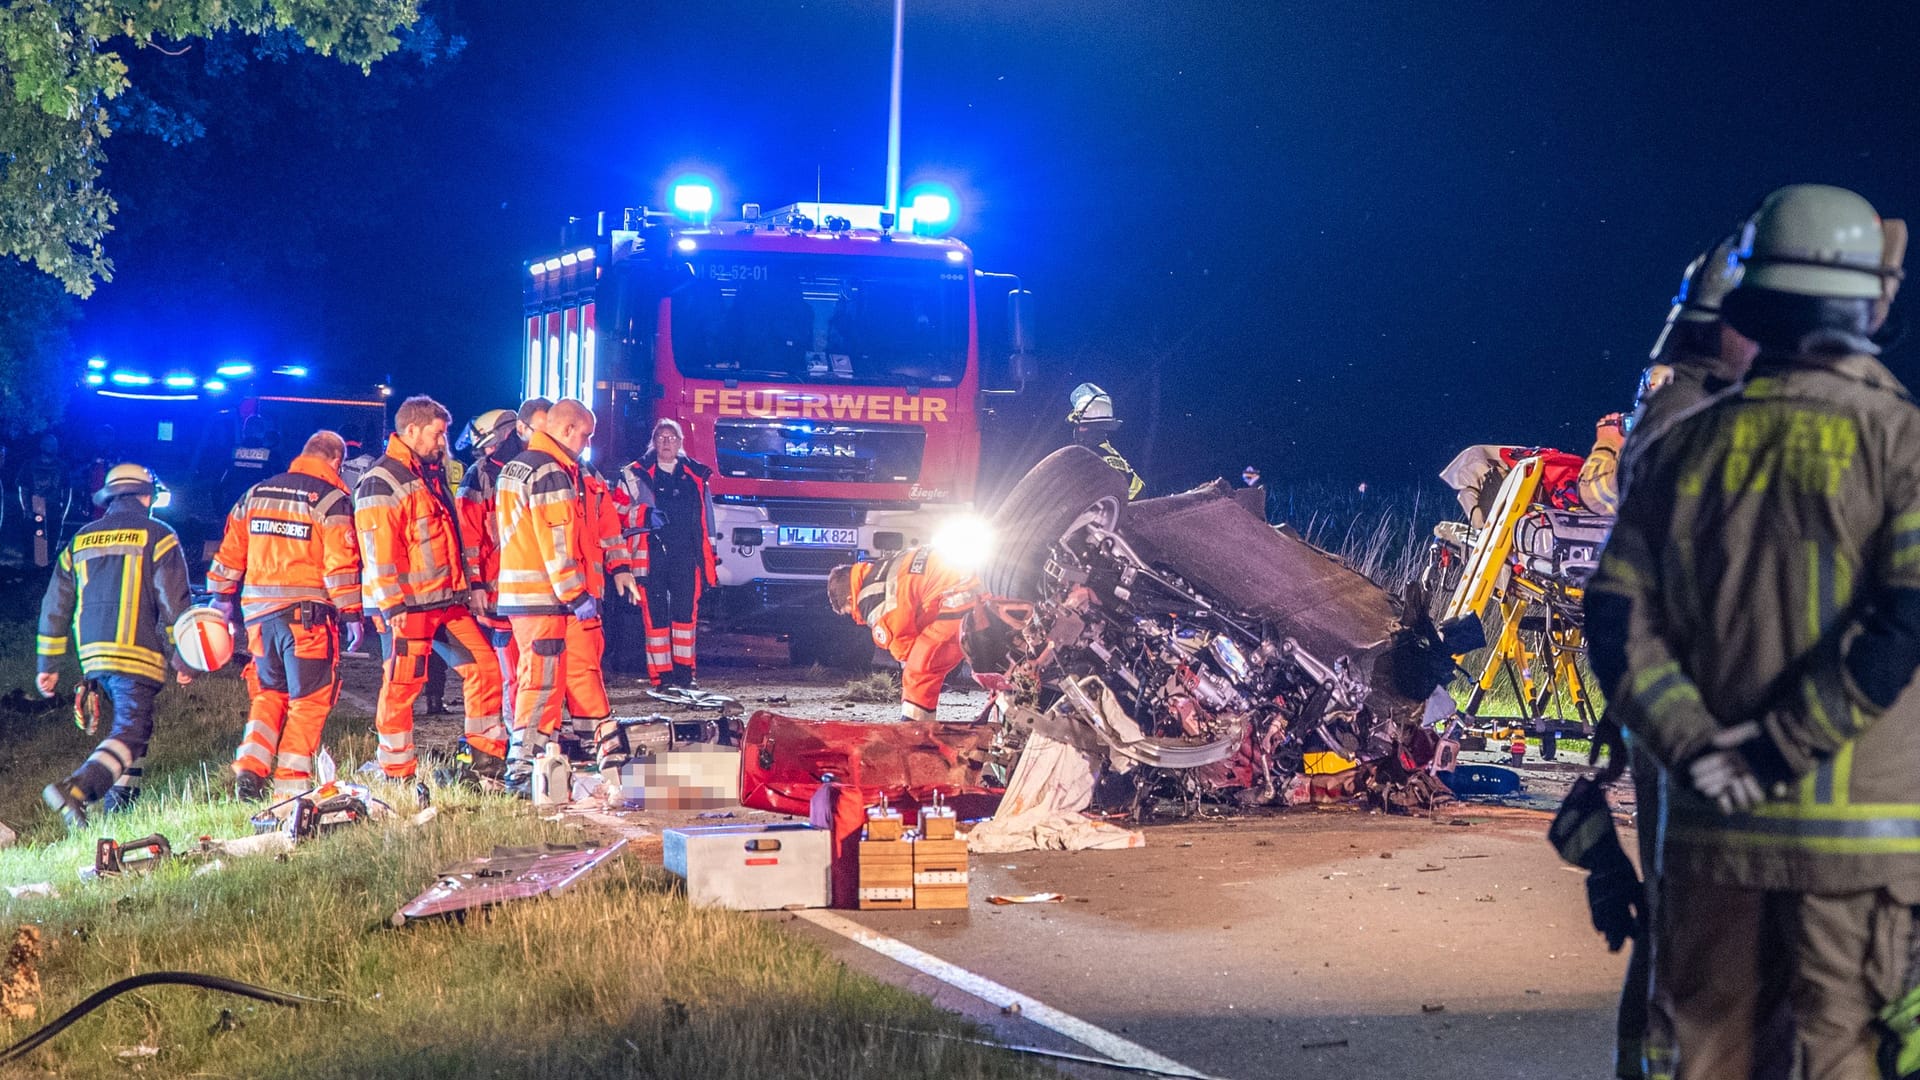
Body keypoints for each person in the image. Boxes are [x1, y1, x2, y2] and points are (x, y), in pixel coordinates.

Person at [1587, 183, 1919, 1080]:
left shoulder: (1681, 450)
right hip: (1859, 853)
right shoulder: (1900, 445)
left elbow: (1614, 618)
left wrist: (1699, 751)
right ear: (1870, 307)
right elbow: (1906, 625)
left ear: (1749, 308)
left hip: (1709, 835)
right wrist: (1778, 748)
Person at [355, 395, 506, 781]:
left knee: (485, 669)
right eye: (437, 432)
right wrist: (391, 609)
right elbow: (377, 552)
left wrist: (469, 586)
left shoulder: (429, 474)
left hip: (445, 601)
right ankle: (396, 769)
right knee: (403, 686)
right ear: (412, 430)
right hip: (408, 607)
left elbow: (450, 537)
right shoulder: (382, 480)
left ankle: (484, 759)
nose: (443, 440)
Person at [36, 463, 194, 829]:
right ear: (147, 495)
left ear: (110, 497)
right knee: (132, 730)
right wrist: (184, 657)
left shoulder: (80, 540)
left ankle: (119, 808)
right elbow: (175, 606)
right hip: (135, 654)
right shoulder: (160, 535)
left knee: (130, 730)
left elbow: (55, 605)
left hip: (93, 658)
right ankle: (77, 790)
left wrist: (48, 663)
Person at [207, 431, 363, 800]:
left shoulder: (256, 493)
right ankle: (290, 788)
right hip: (307, 620)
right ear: (337, 461)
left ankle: (250, 770)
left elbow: (230, 553)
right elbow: (340, 566)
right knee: (309, 701)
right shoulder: (331, 500)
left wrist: (221, 599)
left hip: (259, 619)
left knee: (268, 694)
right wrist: (352, 613)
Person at [495, 399, 625, 796]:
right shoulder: (551, 472)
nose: (587, 443)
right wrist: (575, 593)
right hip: (546, 597)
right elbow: (557, 545)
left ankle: (543, 764)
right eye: (585, 435)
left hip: (527, 595)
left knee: (551, 679)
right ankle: (523, 771)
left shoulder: (520, 466)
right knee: (541, 685)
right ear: (567, 430)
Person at [825, 547, 979, 723]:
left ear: (851, 600)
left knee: (919, 668)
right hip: (979, 582)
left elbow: (904, 648)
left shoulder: (871, 600)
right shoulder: (885, 566)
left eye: (849, 611)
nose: (854, 616)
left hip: (961, 600)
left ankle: (914, 731)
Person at [617, 419, 716, 689]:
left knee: (686, 617)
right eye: (661, 437)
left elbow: (707, 519)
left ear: (681, 442)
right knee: (656, 618)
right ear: (653, 441)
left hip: (687, 555)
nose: (666, 442)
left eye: (672, 438)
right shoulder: (634, 473)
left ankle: (686, 676)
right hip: (650, 555)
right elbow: (617, 512)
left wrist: (710, 556)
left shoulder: (696, 475)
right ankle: (662, 677)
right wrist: (646, 514)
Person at [455, 408, 523, 747]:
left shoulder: (530, 468)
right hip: (497, 592)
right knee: (511, 670)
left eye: (488, 444)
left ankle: (529, 732)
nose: (485, 450)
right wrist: (476, 584)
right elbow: (469, 535)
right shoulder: (479, 475)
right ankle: (515, 735)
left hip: (534, 590)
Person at [1065, 382, 1143, 500]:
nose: (1078, 431)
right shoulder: (1100, 453)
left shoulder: (1098, 458)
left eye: (1082, 426)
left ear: (1096, 429)